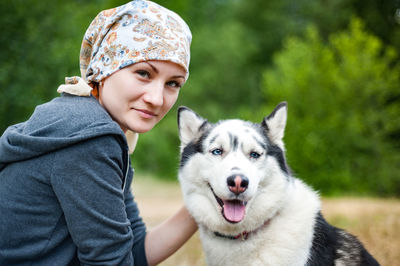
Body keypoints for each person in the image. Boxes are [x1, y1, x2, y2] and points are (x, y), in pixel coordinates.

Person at [0, 1, 197, 265]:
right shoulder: (91, 137)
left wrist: (205, 204)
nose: (157, 98)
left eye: (173, 83)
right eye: (143, 73)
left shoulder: (91, 123)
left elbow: (134, 249)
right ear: (105, 67)